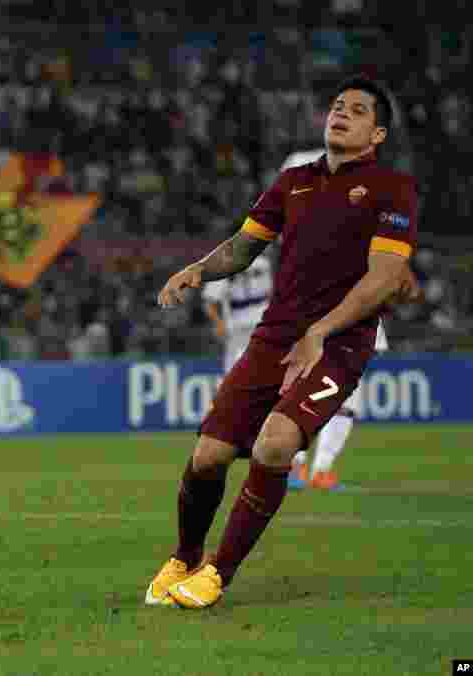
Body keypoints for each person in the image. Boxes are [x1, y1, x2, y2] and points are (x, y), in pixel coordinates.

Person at [148, 76, 420, 609]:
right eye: (337, 106)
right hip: (273, 338)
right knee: (207, 457)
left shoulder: (393, 189)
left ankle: (216, 575)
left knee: (275, 445)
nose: (340, 114)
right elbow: (244, 247)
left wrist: (320, 331)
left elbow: (386, 277)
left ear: (378, 132)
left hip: (338, 344)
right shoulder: (294, 180)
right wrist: (199, 271)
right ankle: (184, 557)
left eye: (357, 111)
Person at [202, 254, 274, 373]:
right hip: (238, 328)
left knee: (265, 370)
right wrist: (219, 323)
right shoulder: (223, 266)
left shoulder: (262, 263)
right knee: (236, 372)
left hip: (261, 324)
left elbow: (271, 293)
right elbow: (209, 302)